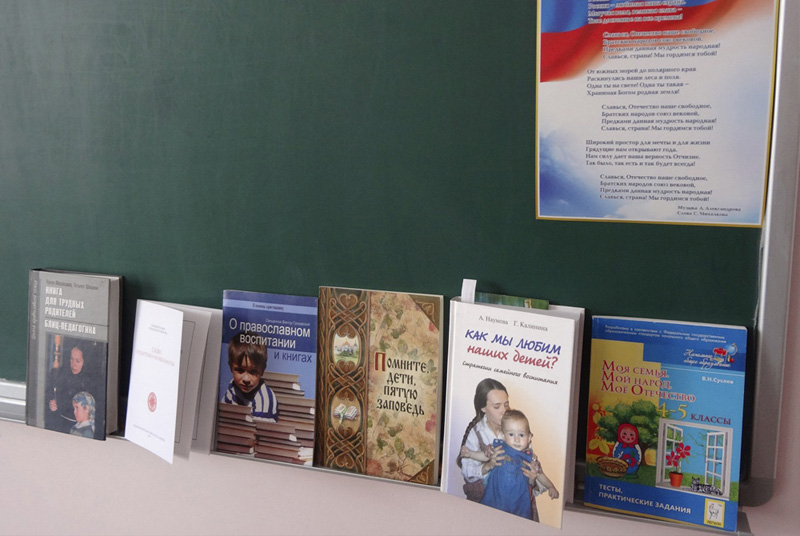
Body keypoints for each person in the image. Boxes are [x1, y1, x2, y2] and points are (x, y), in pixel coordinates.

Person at [456, 378, 543, 518]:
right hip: (487, 507)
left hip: (518, 505)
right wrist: (488, 466)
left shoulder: (518, 428)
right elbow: (467, 471)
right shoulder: (476, 433)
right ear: (483, 408)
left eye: (506, 404)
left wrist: (532, 479)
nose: (504, 411)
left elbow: (533, 471)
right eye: (497, 407)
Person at [463, 409, 559, 520]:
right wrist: (470, 454)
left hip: (518, 503)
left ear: (529, 437)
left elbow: (539, 474)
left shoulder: (529, 457)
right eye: (511, 434)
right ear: (503, 436)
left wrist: (551, 486)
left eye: (521, 435)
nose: (516, 439)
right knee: (489, 521)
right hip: (494, 498)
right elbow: (485, 456)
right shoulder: (500, 448)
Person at [221, 331, 278, 421]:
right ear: (231, 367)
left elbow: (259, 429)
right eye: (240, 370)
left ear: (262, 370)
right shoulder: (233, 387)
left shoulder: (264, 399)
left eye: (253, 372)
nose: (246, 379)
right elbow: (223, 416)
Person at [47, 343, 93, 433]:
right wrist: (51, 403)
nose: (73, 364)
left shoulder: (90, 382)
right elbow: (49, 393)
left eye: (78, 361)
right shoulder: (60, 374)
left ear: (85, 362)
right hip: (60, 424)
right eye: (71, 359)